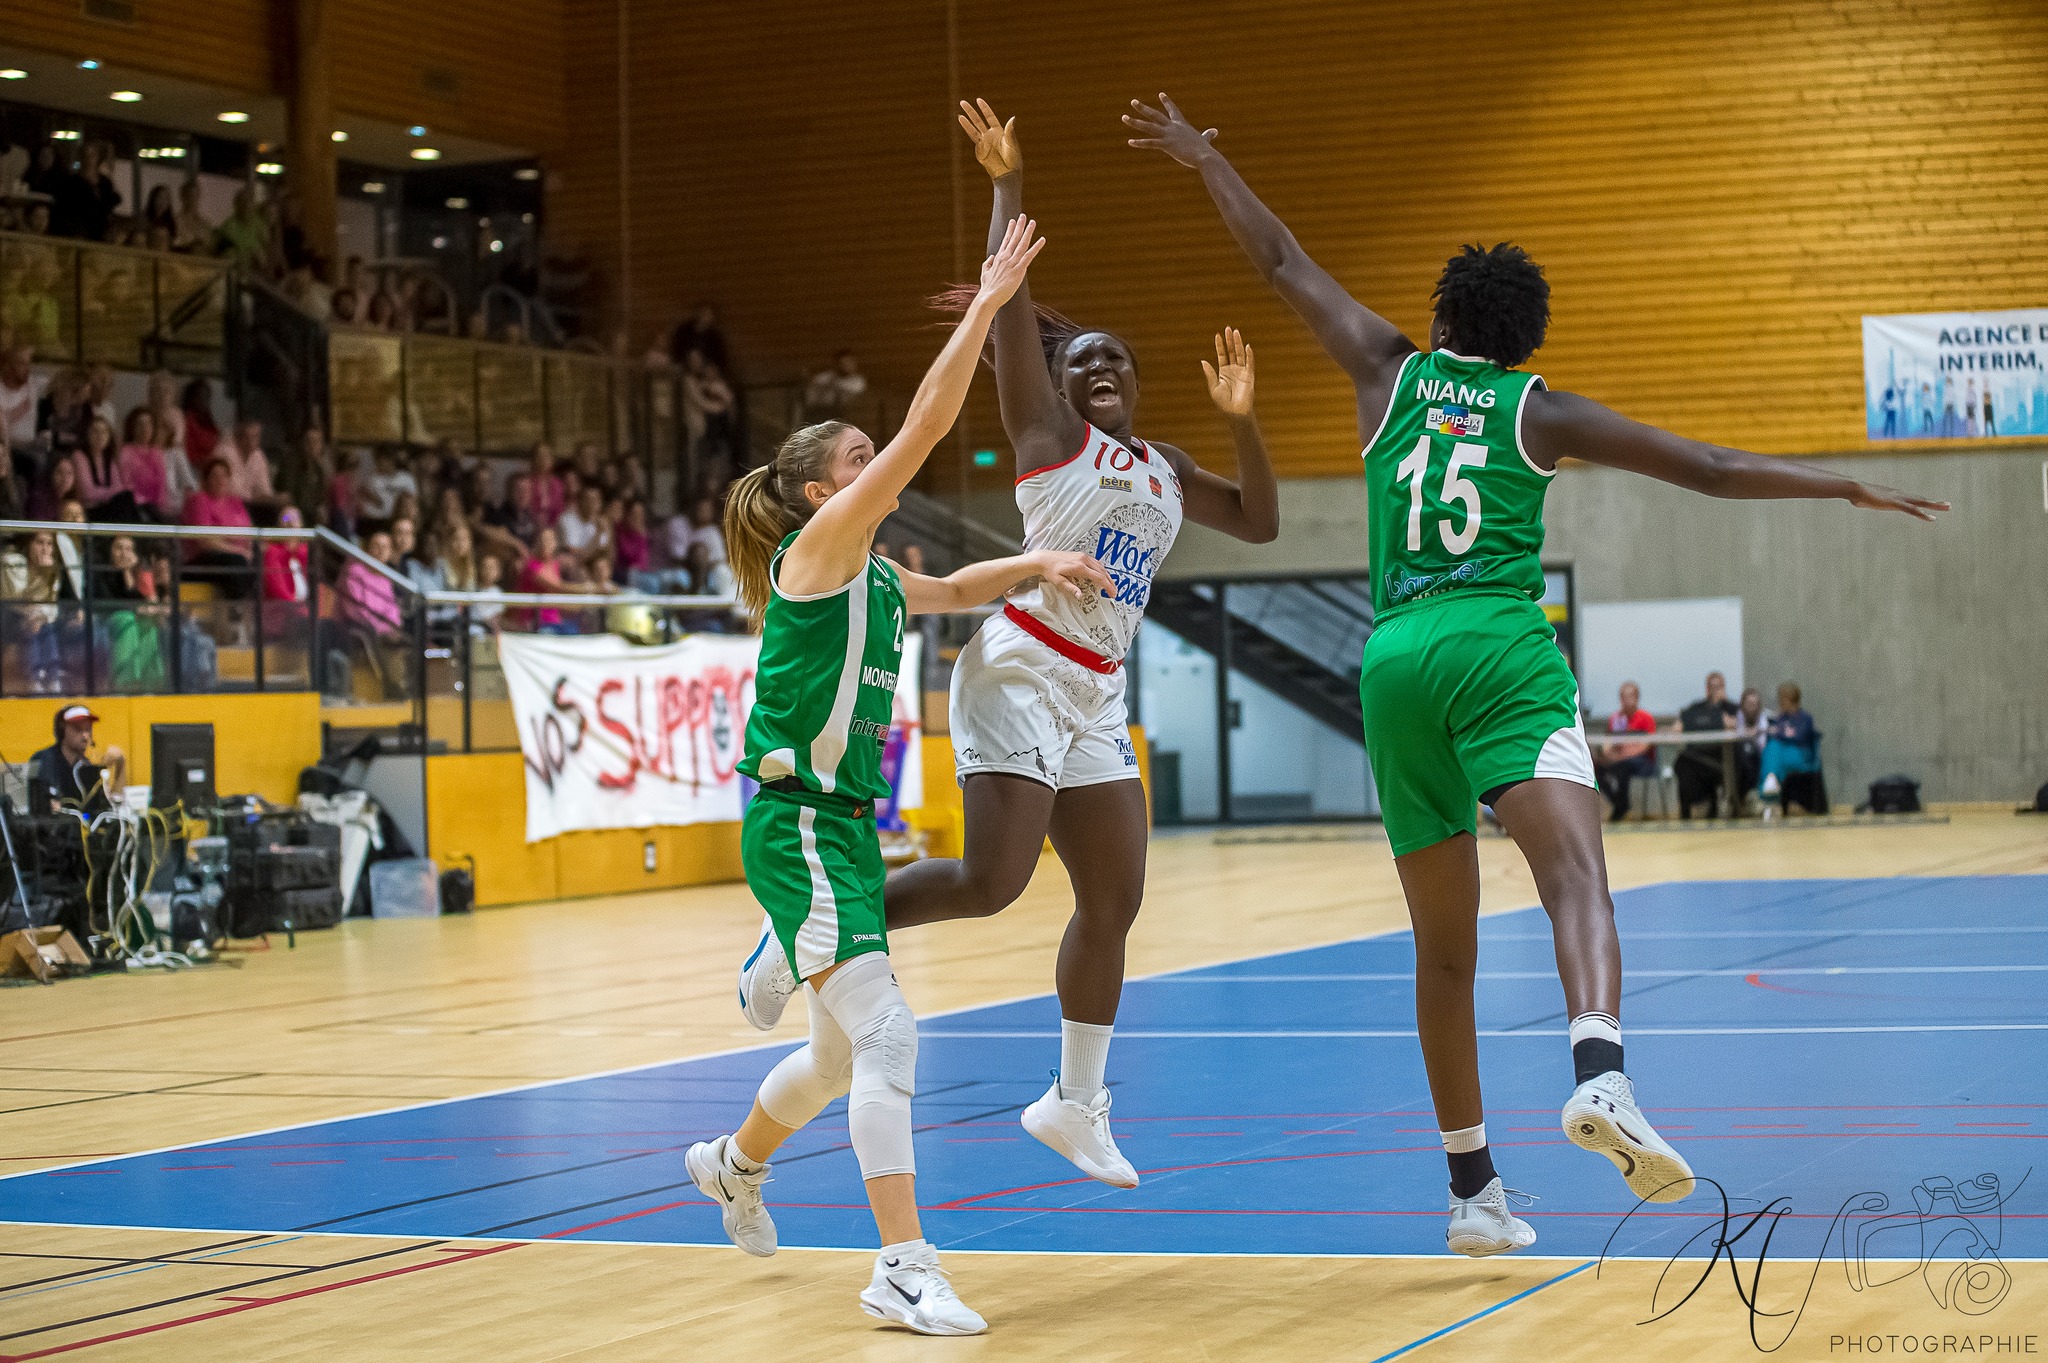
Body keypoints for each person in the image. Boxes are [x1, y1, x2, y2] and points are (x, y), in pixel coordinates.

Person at [1124, 90, 1947, 1253]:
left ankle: (1471, 1193)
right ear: (1524, 340)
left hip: (1391, 659)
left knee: (1442, 949)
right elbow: (1708, 468)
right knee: (1573, 877)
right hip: (1493, 645)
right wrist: (1841, 485)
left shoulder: (1383, 370)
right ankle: (1598, 1072)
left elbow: (1279, 260)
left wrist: (1204, 156)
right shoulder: (1537, 410)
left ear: (1440, 317)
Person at [742, 102, 1280, 1199]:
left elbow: (1263, 524)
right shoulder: (1049, 434)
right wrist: (1007, 183)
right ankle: (796, 927)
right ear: (1055, 383)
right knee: (992, 884)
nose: (1098, 367)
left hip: (1097, 687)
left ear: (1136, 380)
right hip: (1020, 665)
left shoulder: (1167, 465)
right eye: (1078, 361)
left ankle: (1075, 1101)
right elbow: (1009, 313)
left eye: (1113, 358)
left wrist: (1241, 419)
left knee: (1115, 895)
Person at [689, 215, 1100, 1336]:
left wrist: (1034, 561)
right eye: (855, 459)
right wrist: (988, 303)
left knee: (833, 1054)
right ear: (818, 492)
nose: (875, 467)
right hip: (796, 823)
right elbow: (926, 426)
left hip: (841, 828)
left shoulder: (870, 574)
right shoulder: (817, 553)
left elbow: (954, 590)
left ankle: (733, 1163)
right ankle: (903, 1265)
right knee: (888, 1037)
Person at [181, 457, 255, 598]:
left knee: (265, 558)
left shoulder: (235, 502)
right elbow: (206, 542)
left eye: (224, 475)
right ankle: (236, 608)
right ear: (206, 480)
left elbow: (250, 532)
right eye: (215, 475)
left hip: (238, 556)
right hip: (203, 560)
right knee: (236, 563)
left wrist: (252, 549)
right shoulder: (200, 500)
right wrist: (240, 550)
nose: (220, 480)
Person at [29, 705, 125, 813]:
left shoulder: (86, 766)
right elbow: (47, 808)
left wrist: (120, 765)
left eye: (88, 729)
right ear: (62, 730)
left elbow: (108, 810)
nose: (85, 736)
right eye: (78, 729)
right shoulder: (45, 760)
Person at [1674, 671, 1741, 820]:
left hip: (1720, 755)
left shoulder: (1731, 708)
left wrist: (1723, 714)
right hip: (1695, 754)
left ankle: (1719, 806)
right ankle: (1686, 811)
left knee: (1726, 767)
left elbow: (1737, 725)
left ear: (1724, 687)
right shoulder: (1696, 707)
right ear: (1707, 688)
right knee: (1681, 764)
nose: (1715, 690)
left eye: (1718, 686)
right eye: (1712, 686)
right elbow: (1679, 726)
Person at [1593, 681, 1659, 823]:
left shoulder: (1645, 717)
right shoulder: (1616, 718)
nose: (1627, 700)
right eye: (1624, 697)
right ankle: (1620, 803)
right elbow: (1608, 743)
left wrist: (1622, 756)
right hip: (1619, 760)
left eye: (1630, 696)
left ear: (1637, 697)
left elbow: (1645, 746)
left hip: (1642, 762)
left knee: (1623, 767)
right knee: (1596, 767)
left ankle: (1621, 806)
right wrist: (1608, 754)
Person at [1760, 682, 1827, 814]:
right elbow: (1773, 733)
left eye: (1781, 699)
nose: (1779, 702)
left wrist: (1779, 732)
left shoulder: (1805, 718)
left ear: (1788, 699)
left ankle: (1770, 789)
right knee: (1772, 748)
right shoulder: (1781, 718)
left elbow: (1799, 737)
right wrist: (1779, 726)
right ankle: (1771, 782)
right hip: (1782, 753)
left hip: (1801, 754)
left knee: (1774, 751)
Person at [118, 407, 173, 520]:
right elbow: (126, 484)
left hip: (155, 507)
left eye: (148, 424)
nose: (145, 428)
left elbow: (161, 485)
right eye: (140, 424)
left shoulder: (157, 452)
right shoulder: (126, 452)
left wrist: (159, 506)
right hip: (135, 506)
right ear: (132, 427)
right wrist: (143, 501)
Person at [218, 418, 278, 506]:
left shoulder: (258, 456)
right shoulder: (224, 453)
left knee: (289, 511)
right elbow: (231, 492)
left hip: (251, 506)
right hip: (226, 506)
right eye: (248, 436)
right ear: (239, 437)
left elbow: (264, 491)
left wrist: (274, 499)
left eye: (256, 436)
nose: (252, 441)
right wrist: (257, 499)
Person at [0, 344, 44, 452]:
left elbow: (62, 383)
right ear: (7, 366)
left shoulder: (33, 384)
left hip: (32, 445)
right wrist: (16, 413)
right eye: (22, 363)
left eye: (28, 363)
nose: (27, 368)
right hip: (9, 447)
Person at [804, 349, 869, 421]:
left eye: (849, 363)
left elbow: (855, 393)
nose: (846, 366)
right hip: (822, 412)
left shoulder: (858, 381)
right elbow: (815, 381)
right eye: (843, 363)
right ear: (837, 364)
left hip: (847, 415)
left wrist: (834, 385)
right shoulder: (828, 376)